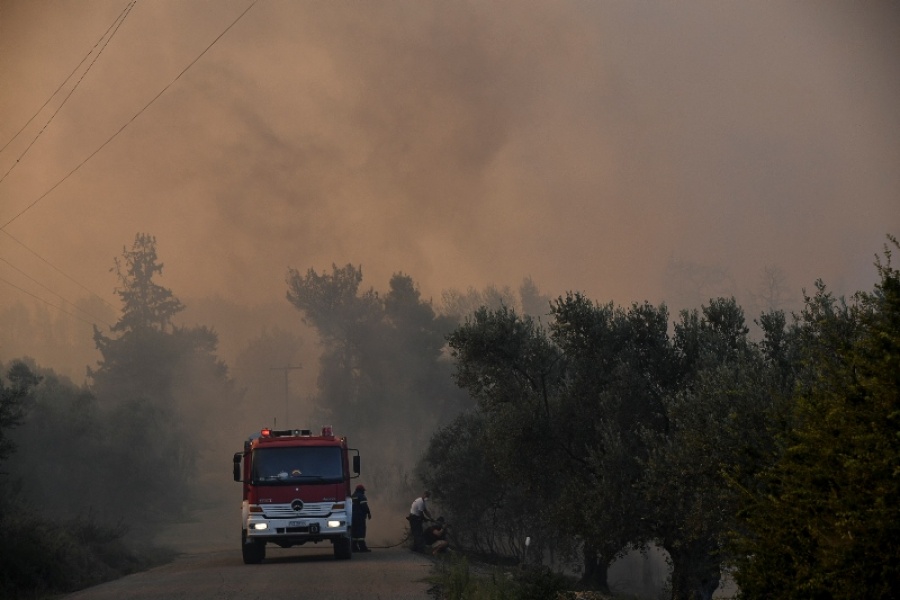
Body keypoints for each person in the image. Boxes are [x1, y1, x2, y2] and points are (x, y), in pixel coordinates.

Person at [351, 483, 372, 552]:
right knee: (361, 532)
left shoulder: (352, 496)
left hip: (352, 517)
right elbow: (364, 506)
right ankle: (362, 548)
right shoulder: (361, 496)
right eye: (363, 490)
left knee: (354, 532)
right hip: (360, 517)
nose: (364, 492)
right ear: (361, 490)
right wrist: (368, 513)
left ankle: (354, 547)